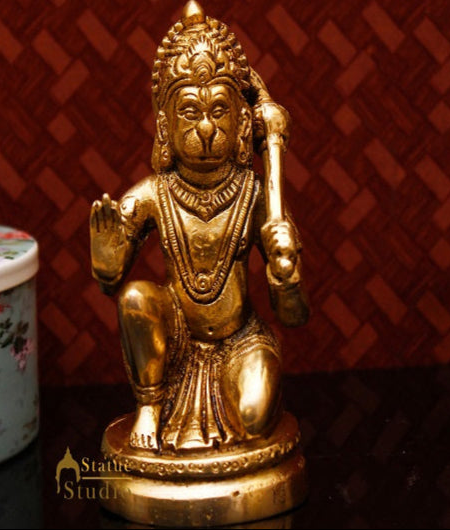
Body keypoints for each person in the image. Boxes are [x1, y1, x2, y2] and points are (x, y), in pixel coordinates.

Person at [90, 1, 308, 452]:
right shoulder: (152, 194)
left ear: (242, 120)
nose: (206, 128)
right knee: (137, 298)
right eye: (190, 112)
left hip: (240, 341)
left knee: (256, 418)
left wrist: (286, 280)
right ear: (166, 124)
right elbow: (112, 285)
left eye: (219, 110)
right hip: (176, 338)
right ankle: (150, 405)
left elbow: (293, 317)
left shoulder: (256, 195)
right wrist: (107, 262)